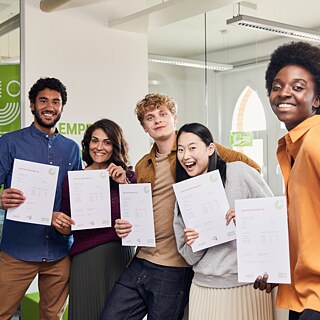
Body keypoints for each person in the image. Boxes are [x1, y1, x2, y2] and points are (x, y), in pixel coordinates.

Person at [100, 92, 262, 320]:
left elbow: (251, 170)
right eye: (150, 117)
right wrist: (127, 226)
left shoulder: (195, 147)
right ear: (144, 127)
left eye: (163, 114)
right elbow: (145, 208)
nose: (157, 120)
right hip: (142, 258)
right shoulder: (142, 164)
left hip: (176, 264)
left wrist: (231, 210)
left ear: (174, 118)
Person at [0, 77, 82, 320]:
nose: (50, 106)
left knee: (52, 317)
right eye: (43, 100)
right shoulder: (9, 142)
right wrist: (1, 198)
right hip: (18, 251)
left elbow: (75, 196)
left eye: (56, 102)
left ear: (62, 107)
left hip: (58, 252)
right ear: (32, 105)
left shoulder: (71, 149)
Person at [173, 122, 273, 320]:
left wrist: (247, 218)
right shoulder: (184, 195)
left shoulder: (239, 172)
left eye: (192, 148)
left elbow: (274, 217)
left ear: (210, 149)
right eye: (181, 150)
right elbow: (188, 257)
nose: (186, 156)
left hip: (246, 287)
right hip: (203, 289)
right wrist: (195, 242)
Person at [254, 41, 320, 320]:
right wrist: (278, 266)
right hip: (303, 295)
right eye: (277, 86)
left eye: (297, 87)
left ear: (317, 99)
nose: (284, 94)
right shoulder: (293, 147)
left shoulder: (316, 142)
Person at [59, 119, 136, 320]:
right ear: (87, 144)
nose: (99, 147)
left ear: (115, 146)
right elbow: (67, 227)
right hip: (86, 258)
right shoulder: (73, 179)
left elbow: (139, 216)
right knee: (87, 313)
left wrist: (123, 183)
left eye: (107, 142)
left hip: (121, 256)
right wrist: (61, 224)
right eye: (95, 141)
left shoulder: (129, 176)